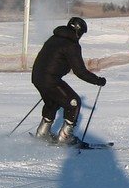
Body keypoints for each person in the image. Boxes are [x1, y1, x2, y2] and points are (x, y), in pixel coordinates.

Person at [31, 16, 106, 145]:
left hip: (37, 77)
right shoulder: (71, 45)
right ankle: (65, 138)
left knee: (52, 103)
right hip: (50, 79)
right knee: (74, 103)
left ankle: (42, 133)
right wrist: (98, 80)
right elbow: (80, 72)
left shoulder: (54, 38)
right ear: (78, 31)